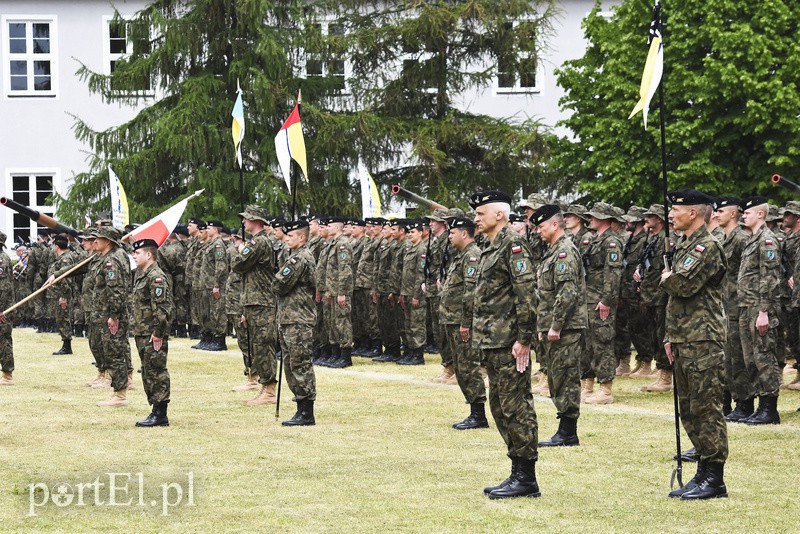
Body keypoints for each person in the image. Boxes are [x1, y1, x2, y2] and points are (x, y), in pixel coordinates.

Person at [470, 190, 539, 500]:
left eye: (480, 212)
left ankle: (526, 477)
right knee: (499, 406)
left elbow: (527, 295)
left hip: (509, 342)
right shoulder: (490, 246)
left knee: (516, 407)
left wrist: (524, 340)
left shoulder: (513, 245)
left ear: (499, 214)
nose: (475, 217)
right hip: (493, 341)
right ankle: (516, 471)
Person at [660, 189, 728, 500]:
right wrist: (669, 337)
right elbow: (674, 298)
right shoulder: (685, 244)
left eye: (677, 209)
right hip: (684, 336)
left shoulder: (707, 245)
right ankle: (702, 471)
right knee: (688, 409)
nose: (671, 214)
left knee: (706, 407)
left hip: (703, 338)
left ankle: (714, 478)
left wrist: (666, 276)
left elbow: (682, 285)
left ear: (694, 213)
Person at [531, 205, 587, 447]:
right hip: (554, 326)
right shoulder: (552, 251)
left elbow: (567, 292)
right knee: (556, 377)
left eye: (541, 227)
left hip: (566, 327)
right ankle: (564, 429)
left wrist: (556, 325)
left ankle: (568, 432)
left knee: (565, 377)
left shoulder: (565, 251)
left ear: (555, 225)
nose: (538, 232)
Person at [736, 196, 782, 425]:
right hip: (746, 306)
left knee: (764, 355)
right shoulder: (751, 240)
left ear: (761, 214)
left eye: (748, 212)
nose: (744, 214)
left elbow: (771, 278)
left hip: (760, 307)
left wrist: (764, 310)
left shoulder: (767, 240)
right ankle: (759, 405)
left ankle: (769, 407)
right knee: (750, 358)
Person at [439, 217, 487, 429]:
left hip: (462, 321)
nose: (449, 236)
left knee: (469, 366)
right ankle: (474, 412)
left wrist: (466, 322)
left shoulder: (472, 256)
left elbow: (471, 292)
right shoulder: (461, 255)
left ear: (464, 233)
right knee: (461, 367)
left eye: (452, 232)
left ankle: (479, 414)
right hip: (453, 319)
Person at [231, 205, 279, 406]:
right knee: (257, 346)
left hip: (262, 301)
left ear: (256, 220)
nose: (243, 222)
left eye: (246, 219)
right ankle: (264, 386)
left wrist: (240, 249)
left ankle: (269, 390)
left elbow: (238, 264)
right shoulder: (256, 242)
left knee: (263, 345)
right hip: (253, 300)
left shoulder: (259, 242)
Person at [274, 220, 318, 426]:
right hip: (290, 317)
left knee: (300, 364)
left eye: (291, 236)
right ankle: (300, 407)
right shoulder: (293, 256)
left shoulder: (300, 258)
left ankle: (306, 411)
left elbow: (279, 284)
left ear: (302, 237)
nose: (287, 239)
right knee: (292, 363)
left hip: (298, 318)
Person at [130, 239, 173, 427]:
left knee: (156, 371)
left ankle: (161, 412)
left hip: (152, 333)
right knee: (148, 371)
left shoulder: (156, 276)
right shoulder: (142, 274)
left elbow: (163, 308)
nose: (134, 255)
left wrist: (158, 332)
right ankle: (155, 409)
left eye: (137, 252)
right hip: (142, 331)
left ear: (149, 254)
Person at [0, 231, 15, 385]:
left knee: (3, 341)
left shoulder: (2, 260)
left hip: (3, 309)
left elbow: (4, 288)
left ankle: (7, 375)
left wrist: (2, 310)